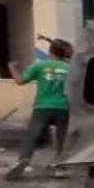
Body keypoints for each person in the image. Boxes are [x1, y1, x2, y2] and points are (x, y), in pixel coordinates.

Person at [8, 38, 72, 180]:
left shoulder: (40, 65)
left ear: (50, 51)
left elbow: (20, 81)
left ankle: (24, 159)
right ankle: (60, 167)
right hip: (63, 107)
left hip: (42, 107)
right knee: (61, 138)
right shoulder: (70, 68)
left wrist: (12, 68)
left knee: (32, 135)